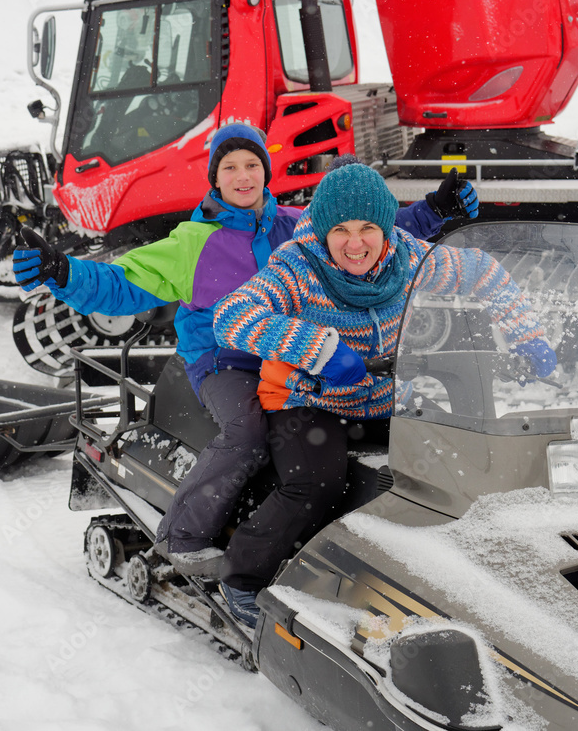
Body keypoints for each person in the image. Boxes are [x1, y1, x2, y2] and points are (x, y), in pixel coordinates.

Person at [12, 123, 482, 578]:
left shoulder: (295, 224)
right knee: (249, 433)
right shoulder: (191, 244)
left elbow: (365, 232)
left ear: (266, 172)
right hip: (224, 361)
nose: (243, 176)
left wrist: (434, 210)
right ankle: (183, 535)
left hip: (295, 356)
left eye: (252, 164)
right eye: (230, 167)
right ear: (214, 178)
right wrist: (62, 271)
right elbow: (121, 282)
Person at [211, 163, 556, 627]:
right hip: (309, 402)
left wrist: (526, 334)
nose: (356, 244)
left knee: (461, 457)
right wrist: (320, 350)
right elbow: (231, 316)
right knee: (316, 484)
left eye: (368, 228)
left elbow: (483, 272)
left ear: (386, 228)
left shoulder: (411, 259)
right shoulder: (297, 265)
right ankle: (242, 578)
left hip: (384, 397)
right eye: (342, 231)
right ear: (323, 230)